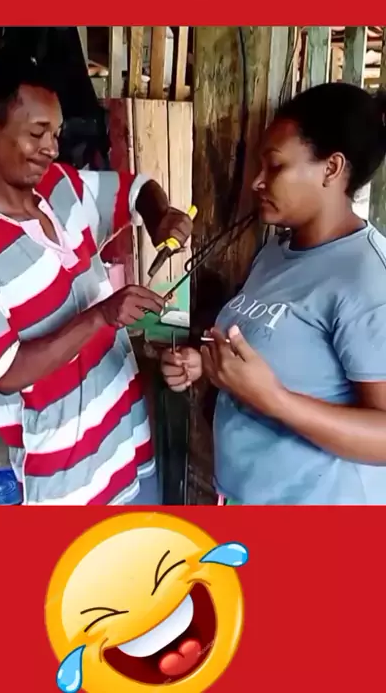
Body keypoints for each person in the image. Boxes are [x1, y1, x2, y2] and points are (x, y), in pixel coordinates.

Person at [0, 49, 193, 506]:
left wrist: (160, 217)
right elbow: (6, 372)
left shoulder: (59, 185)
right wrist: (102, 316)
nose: (52, 148)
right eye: (37, 134)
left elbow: (135, 189)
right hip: (67, 476)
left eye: (55, 134)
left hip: (128, 435)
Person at [161, 81, 386, 505]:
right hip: (246, 497)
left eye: (275, 166)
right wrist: (205, 365)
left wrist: (276, 401)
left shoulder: (368, 277)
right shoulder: (276, 251)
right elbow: (278, 356)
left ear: (332, 168)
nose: (257, 182)